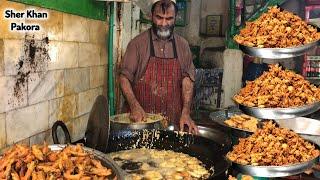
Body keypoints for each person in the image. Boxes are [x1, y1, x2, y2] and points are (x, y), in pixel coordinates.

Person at [119, 0, 198, 134]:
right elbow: (124, 78)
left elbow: (188, 81)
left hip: (173, 124)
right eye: (159, 18)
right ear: (151, 16)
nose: (163, 24)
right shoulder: (137, 44)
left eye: (169, 19)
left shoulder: (183, 45)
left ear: (176, 18)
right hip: (141, 124)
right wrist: (134, 106)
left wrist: (186, 112)